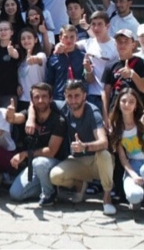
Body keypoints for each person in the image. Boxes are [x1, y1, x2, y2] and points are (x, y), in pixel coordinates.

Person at [48, 80, 116, 216]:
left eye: (77, 95)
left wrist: (84, 146)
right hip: (78, 161)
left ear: (84, 95)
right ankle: (80, 185)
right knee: (55, 176)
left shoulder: (93, 112)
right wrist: (31, 118)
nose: (73, 100)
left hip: (97, 162)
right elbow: (38, 103)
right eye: (70, 96)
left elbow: (104, 142)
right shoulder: (63, 107)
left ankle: (107, 197)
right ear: (65, 96)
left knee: (104, 154)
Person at [7, 83, 66, 206]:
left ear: (51, 98)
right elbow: (14, 119)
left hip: (54, 163)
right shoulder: (29, 114)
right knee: (15, 194)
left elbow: (51, 152)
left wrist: (25, 154)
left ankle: (49, 193)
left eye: (44, 96)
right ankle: (48, 185)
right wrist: (10, 115)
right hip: (34, 165)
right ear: (32, 100)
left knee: (39, 162)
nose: (40, 100)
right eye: (36, 97)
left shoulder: (58, 120)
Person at [108, 88, 144, 220]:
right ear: (118, 103)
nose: (127, 104)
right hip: (134, 165)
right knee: (134, 196)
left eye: (131, 102)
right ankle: (138, 199)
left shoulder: (142, 121)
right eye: (124, 101)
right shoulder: (116, 126)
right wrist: (133, 175)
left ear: (136, 105)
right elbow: (123, 158)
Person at [75, 11, 118, 112]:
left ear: (107, 26)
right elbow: (70, 45)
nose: (96, 28)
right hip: (91, 96)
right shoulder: (87, 43)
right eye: (93, 24)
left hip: (111, 96)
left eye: (100, 24)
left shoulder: (116, 45)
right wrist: (60, 46)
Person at [46, 25, 85, 106]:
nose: (69, 40)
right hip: (59, 99)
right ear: (60, 38)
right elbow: (49, 82)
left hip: (78, 99)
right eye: (66, 37)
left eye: (72, 37)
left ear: (77, 38)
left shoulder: (83, 57)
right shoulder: (53, 58)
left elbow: (87, 79)